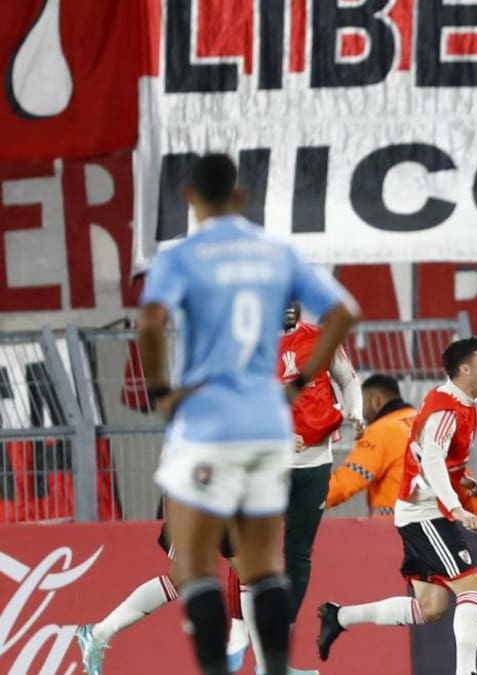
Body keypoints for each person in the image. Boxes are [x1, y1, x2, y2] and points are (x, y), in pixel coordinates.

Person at [133, 153, 357, 675]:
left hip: (207, 425)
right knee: (262, 565)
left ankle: (216, 670)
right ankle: (274, 667)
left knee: (192, 564)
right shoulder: (275, 252)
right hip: (266, 426)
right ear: (240, 199)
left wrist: (163, 391)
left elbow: (150, 322)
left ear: (190, 199)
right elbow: (346, 313)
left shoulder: (182, 255)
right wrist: (300, 383)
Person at [315, 338, 477, 675]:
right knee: (473, 587)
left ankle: (339, 616)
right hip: (425, 513)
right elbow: (432, 459)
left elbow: (436, 459)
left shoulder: (450, 405)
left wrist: (461, 482)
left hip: (421, 511)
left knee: (431, 607)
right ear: (465, 369)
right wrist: (457, 508)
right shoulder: (441, 408)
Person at [226, 302, 364, 674]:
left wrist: (356, 412)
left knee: (299, 557)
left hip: (316, 464)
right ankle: (246, 640)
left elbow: (348, 380)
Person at [73, 501, 236, 675]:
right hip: (197, 507)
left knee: (248, 572)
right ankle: (99, 634)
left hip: (231, 506)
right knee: (184, 574)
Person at [325, 373, 418, 516]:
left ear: (376, 402)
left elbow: (346, 482)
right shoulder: (426, 422)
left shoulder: (381, 431)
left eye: (363, 403)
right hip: (444, 527)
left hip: (395, 529)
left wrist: (302, 500)